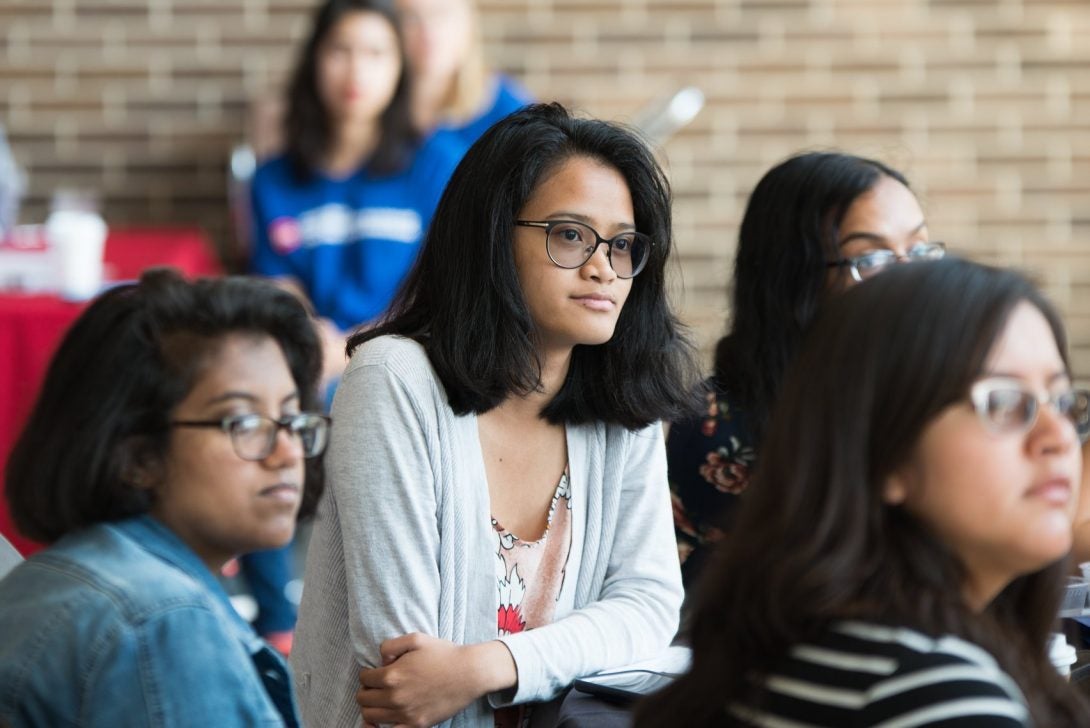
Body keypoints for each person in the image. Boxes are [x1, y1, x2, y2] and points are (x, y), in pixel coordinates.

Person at [290, 102, 702, 727]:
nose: (603, 267)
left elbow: (647, 608)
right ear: (491, 237)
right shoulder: (392, 379)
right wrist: (528, 660)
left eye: (622, 245)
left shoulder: (626, 400)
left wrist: (488, 665)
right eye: (569, 234)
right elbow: (403, 664)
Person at [638, 258, 1090, 726]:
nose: (1058, 435)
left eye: (1061, 401)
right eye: (1005, 402)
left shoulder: (791, 643)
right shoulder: (936, 693)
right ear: (887, 450)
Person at [0, 269, 329, 727]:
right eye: (243, 422)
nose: (288, 450)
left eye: (292, 419)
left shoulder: (55, 577)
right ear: (137, 456)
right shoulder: (163, 622)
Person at [669, 151, 945, 590]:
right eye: (872, 260)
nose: (911, 277)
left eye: (920, 250)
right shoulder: (717, 425)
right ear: (796, 280)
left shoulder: (934, 393)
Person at [250, 0, 461, 336]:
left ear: (399, 68)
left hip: (405, 354)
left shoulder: (438, 164)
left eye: (375, 53)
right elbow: (279, 287)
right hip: (310, 360)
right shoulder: (272, 180)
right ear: (314, 60)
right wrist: (315, 341)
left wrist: (359, 347)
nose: (356, 71)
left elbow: (445, 288)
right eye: (340, 50)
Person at [396, 0, 532, 149]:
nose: (427, 32)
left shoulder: (513, 116)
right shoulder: (375, 111)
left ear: (468, 21)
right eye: (410, 17)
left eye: (441, 13)